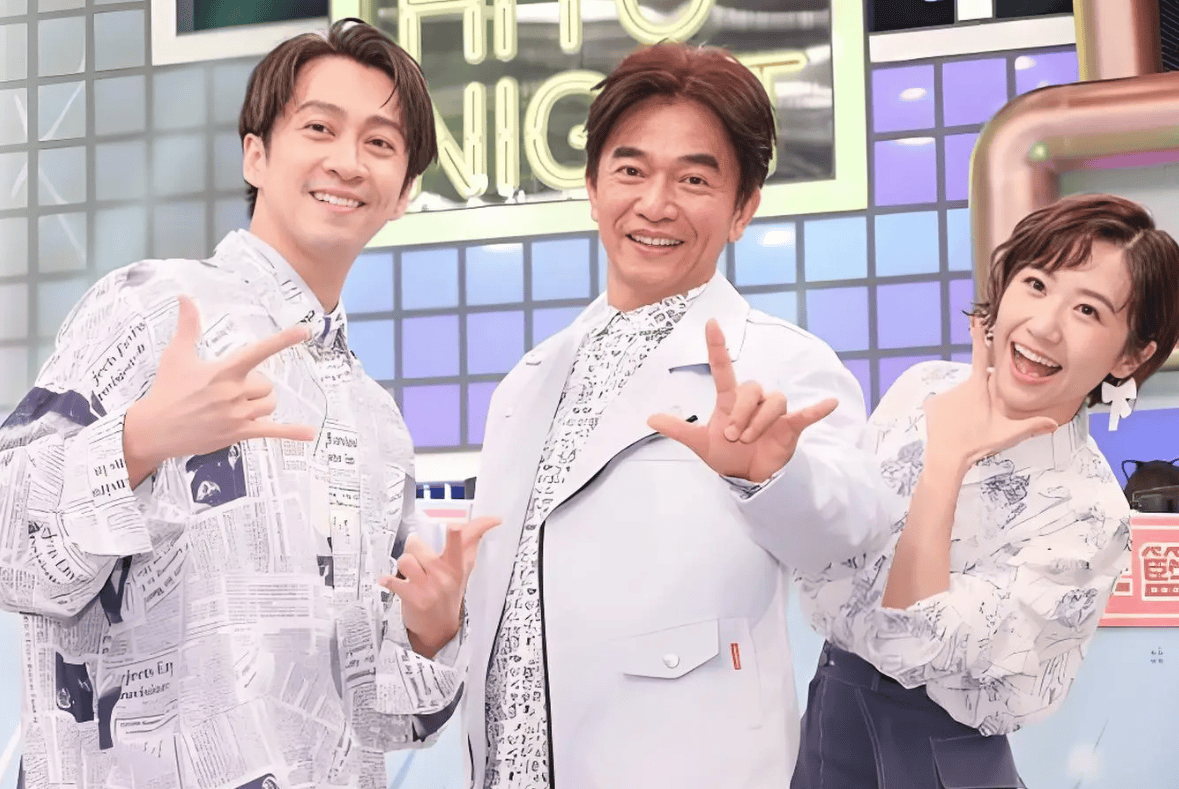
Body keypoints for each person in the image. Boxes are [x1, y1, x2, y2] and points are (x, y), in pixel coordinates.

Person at [0, 19, 496, 789]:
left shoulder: (375, 423)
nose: (346, 161)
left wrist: (430, 629)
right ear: (255, 154)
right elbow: (13, 555)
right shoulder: (155, 306)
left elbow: (381, 721)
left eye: (379, 142)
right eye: (319, 128)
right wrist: (139, 440)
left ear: (403, 192)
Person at [462, 42, 894, 788]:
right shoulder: (526, 383)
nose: (656, 204)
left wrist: (770, 475)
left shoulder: (780, 362)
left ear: (742, 208)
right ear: (593, 187)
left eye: (694, 179)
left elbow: (850, 532)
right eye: (630, 171)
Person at [791, 193, 1179, 788]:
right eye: (1036, 284)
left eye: (1087, 311)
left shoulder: (1092, 513)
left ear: (1130, 355)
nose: (1044, 326)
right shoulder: (924, 387)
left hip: (942, 758)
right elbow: (823, 567)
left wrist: (946, 462)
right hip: (828, 717)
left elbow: (912, 644)